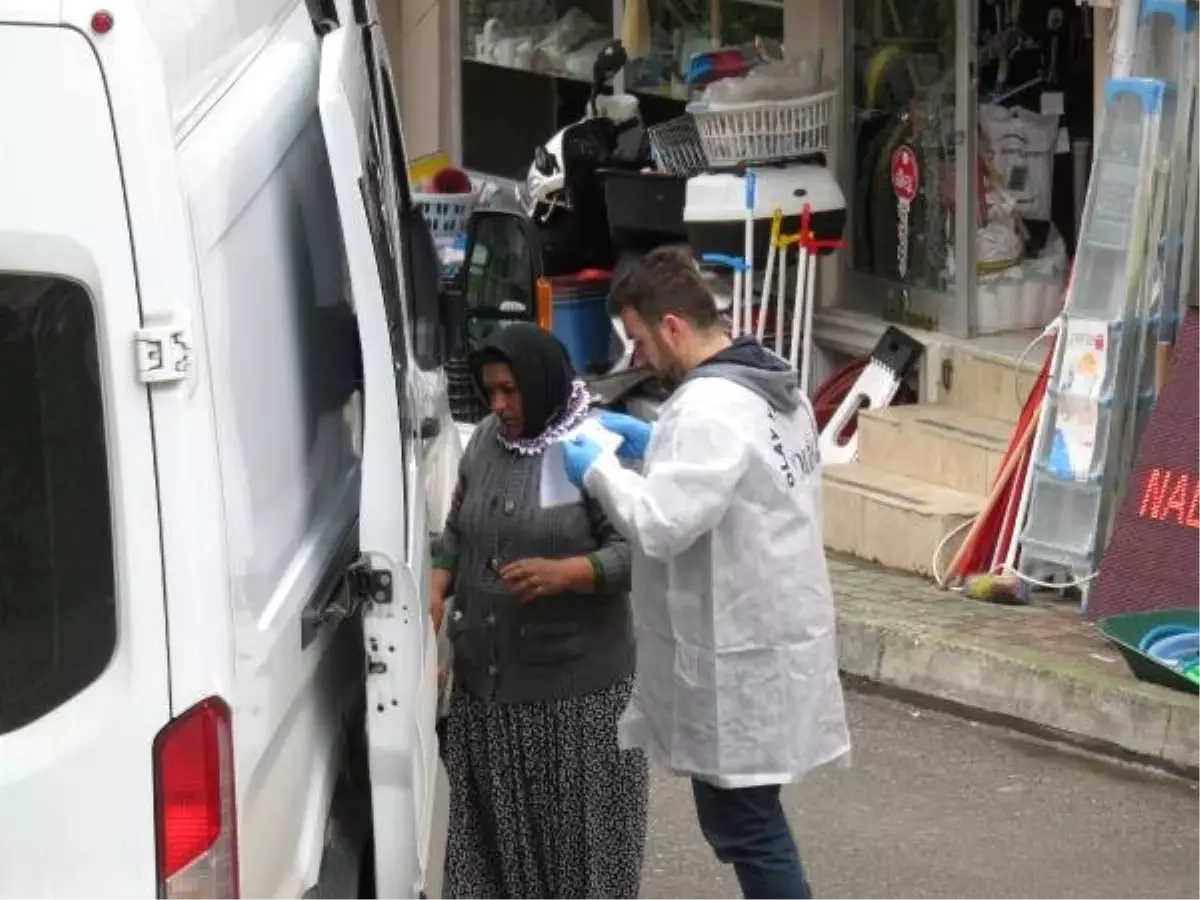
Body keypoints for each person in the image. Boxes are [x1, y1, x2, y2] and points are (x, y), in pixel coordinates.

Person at [561, 246, 851, 900]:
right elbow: (726, 478)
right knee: (741, 820)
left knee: (748, 827)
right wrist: (650, 443)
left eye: (637, 339)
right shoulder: (769, 380)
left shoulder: (708, 408)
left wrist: (601, 469)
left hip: (743, 651)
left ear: (671, 327)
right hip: (773, 631)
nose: (637, 358)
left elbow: (662, 524)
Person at [431, 323, 648, 899]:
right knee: (490, 866)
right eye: (490, 392)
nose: (498, 405)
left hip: (575, 713)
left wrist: (566, 574)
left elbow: (642, 549)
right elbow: (456, 529)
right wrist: (434, 590)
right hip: (490, 706)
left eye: (510, 391)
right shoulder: (482, 441)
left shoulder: (595, 446)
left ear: (543, 382)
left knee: (578, 868)